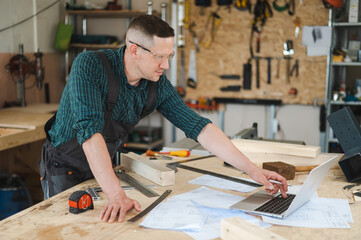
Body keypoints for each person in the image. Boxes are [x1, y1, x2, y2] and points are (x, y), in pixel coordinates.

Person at [39, 15, 287, 223]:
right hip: (64, 167)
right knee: (67, 228)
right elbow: (90, 133)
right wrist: (115, 195)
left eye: (169, 56)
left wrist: (253, 170)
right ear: (134, 50)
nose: (165, 65)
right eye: (159, 57)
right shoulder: (90, 66)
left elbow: (199, 127)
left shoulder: (156, 85)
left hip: (103, 170)